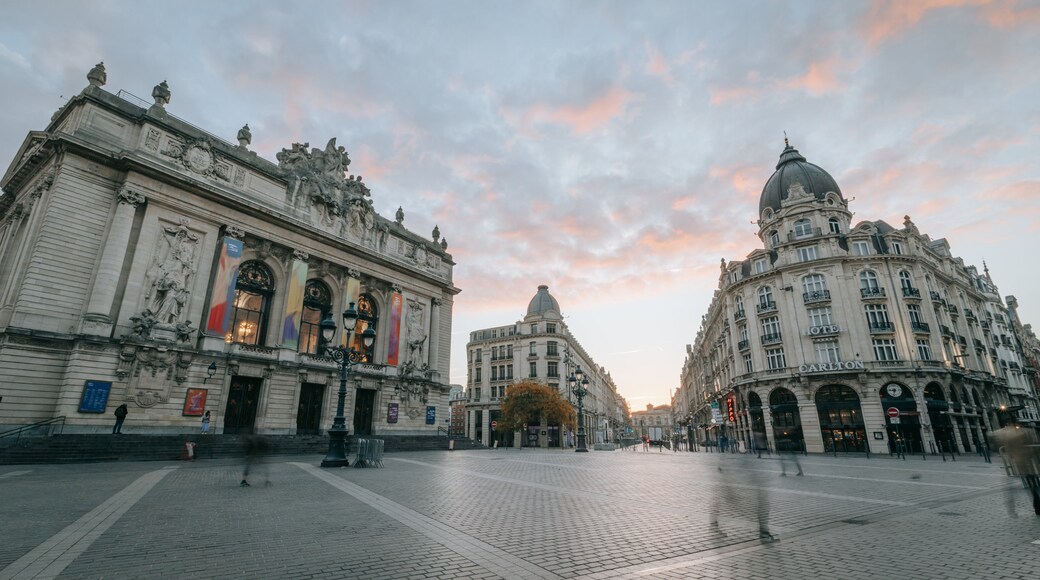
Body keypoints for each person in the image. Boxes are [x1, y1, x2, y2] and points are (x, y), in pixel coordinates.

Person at [990, 421, 1040, 516]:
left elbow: (1009, 451)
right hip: (1030, 462)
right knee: (1034, 483)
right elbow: (1033, 446)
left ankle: (1036, 507)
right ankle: (1037, 505)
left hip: (1021, 463)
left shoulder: (1008, 436)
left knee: (1032, 484)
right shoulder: (1026, 432)